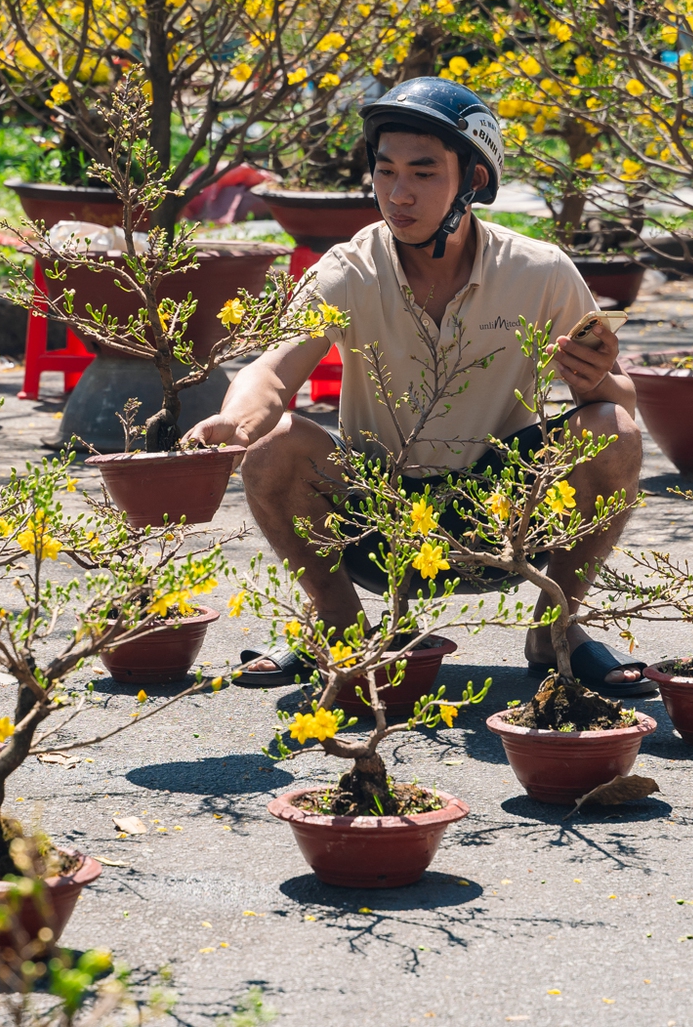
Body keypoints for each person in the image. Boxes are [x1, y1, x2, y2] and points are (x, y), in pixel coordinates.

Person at [185, 76, 653, 696]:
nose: (398, 194)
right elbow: (271, 370)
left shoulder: (541, 271)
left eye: (424, 173)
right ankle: (340, 631)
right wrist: (238, 422)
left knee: (613, 430)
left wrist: (599, 384)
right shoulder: (348, 270)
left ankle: (557, 631)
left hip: (504, 515)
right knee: (273, 444)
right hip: (374, 514)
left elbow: (620, 402)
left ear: (473, 180)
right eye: (385, 171)